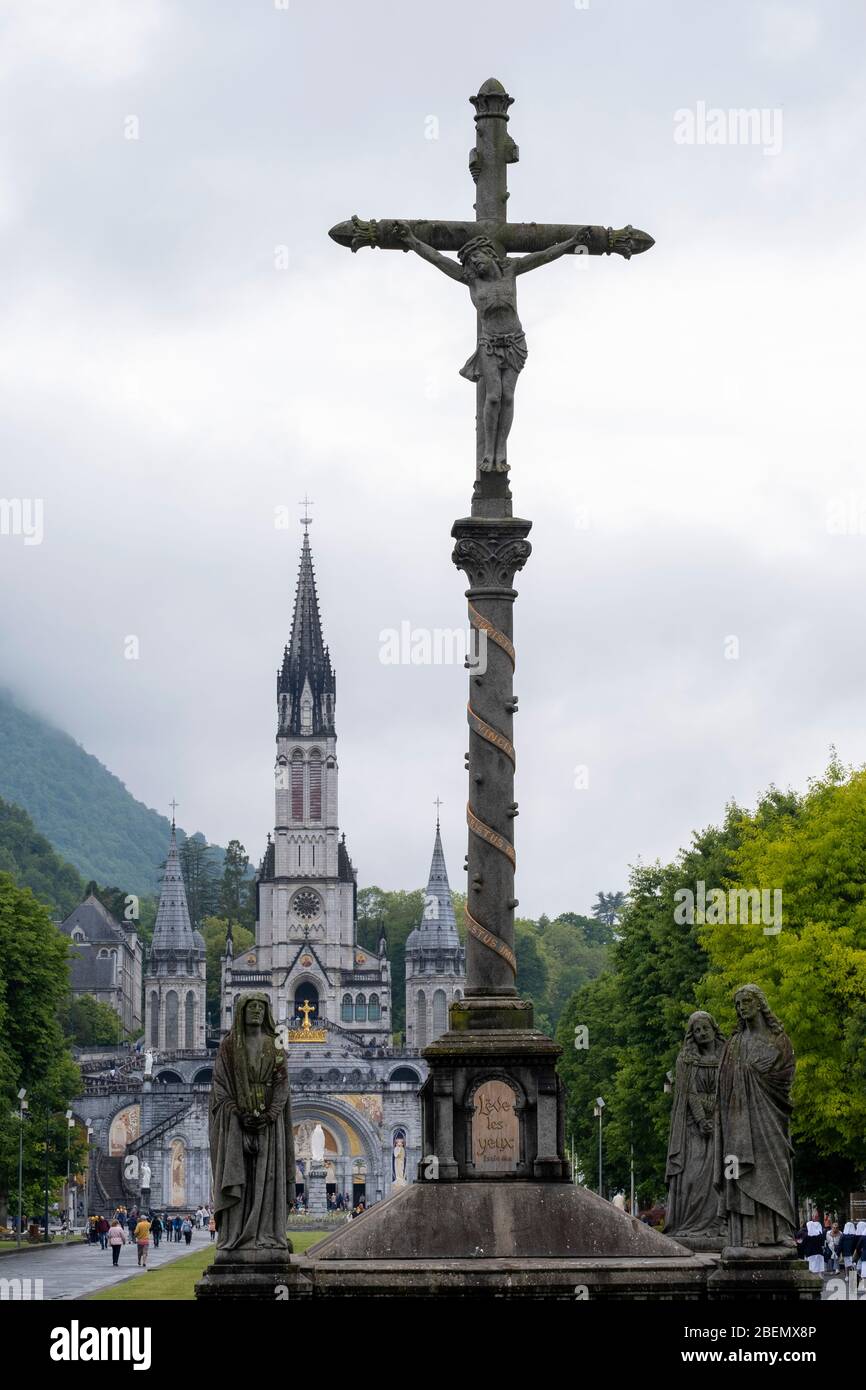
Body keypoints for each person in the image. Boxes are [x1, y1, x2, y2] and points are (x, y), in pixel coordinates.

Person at [393, 220, 585, 474]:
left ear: (489, 253)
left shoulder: (511, 270)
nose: (474, 264)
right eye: (470, 262)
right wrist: (412, 241)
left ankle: (501, 450)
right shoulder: (472, 281)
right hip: (489, 345)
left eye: (477, 258)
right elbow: (438, 259)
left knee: (508, 397)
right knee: (493, 397)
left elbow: (544, 256)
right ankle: (488, 452)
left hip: (515, 342)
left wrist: (572, 242)